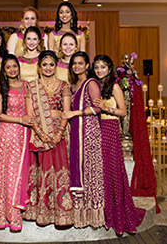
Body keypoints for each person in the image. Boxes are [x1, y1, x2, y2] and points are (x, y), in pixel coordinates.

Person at [92, 55, 145, 235]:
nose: (100, 70)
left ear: (109, 68)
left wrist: (105, 108)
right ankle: (104, 214)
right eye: (97, 67)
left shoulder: (114, 86)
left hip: (110, 129)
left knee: (113, 171)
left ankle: (119, 215)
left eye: (103, 67)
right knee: (101, 172)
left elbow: (123, 112)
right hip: (95, 129)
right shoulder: (93, 86)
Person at [23, 51, 73, 226]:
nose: (48, 67)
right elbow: (30, 115)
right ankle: (42, 212)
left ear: (56, 65)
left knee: (61, 170)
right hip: (39, 133)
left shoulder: (64, 85)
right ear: (39, 66)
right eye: (44, 64)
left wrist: (58, 133)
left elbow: (66, 112)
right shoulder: (31, 86)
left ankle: (62, 213)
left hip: (60, 131)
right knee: (42, 171)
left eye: (51, 64)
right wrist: (42, 134)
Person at [0, 54, 33, 231]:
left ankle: (20, 211)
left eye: (14, 66)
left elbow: (29, 113)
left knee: (21, 173)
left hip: (23, 133)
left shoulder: (26, 86)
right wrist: (20, 120)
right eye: (8, 67)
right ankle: (9, 215)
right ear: (4, 71)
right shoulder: (0, 89)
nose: (12, 70)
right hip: (7, 134)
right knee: (8, 173)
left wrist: (27, 122)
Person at [62, 51, 104, 228]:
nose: (77, 66)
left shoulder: (91, 83)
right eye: (74, 63)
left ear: (87, 65)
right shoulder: (74, 84)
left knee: (90, 169)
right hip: (76, 130)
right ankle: (80, 213)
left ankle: (92, 213)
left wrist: (75, 113)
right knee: (78, 167)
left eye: (80, 63)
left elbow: (97, 108)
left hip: (89, 131)